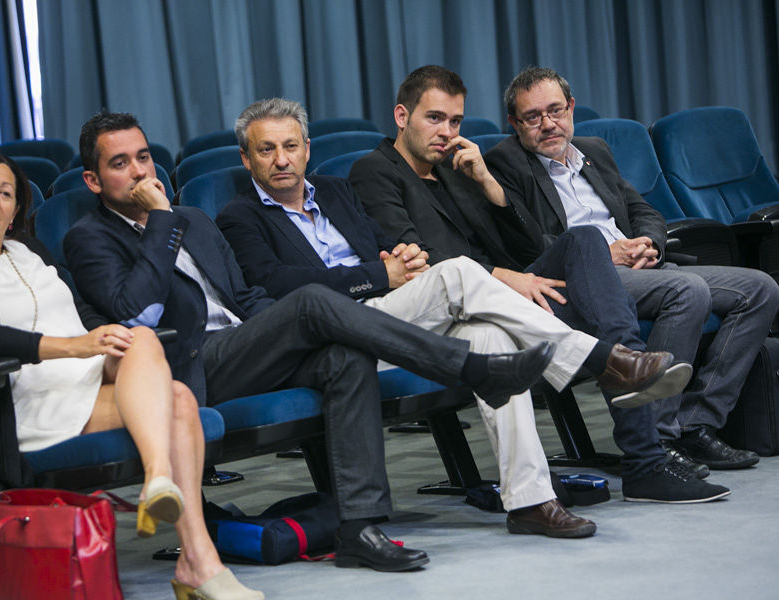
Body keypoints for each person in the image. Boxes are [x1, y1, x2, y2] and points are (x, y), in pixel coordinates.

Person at [63, 112, 562, 572]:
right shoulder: (91, 237)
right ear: (93, 180)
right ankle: (474, 368)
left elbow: (245, 296)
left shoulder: (193, 219)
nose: (138, 171)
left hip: (243, 346)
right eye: (120, 163)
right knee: (308, 301)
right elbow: (136, 311)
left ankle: (358, 528)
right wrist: (161, 224)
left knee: (344, 354)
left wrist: (283, 330)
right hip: (185, 367)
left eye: (144, 157)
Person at [216, 98, 693, 537]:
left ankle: (530, 502)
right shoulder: (238, 217)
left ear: (306, 150)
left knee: (493, 339)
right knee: (458, 274)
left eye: (290, 146)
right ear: (247, 159)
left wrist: (399, 261)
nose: (281, 159)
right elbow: (279, 288)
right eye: (266, 149)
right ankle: (605, 362)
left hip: (393, 318)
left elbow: (380, 253)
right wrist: (377, 272)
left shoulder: (337, 194)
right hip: (336, 336)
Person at [349, 65, 732, 503]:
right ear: (402, 116)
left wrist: (488, 184)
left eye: (455, 121)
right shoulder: (373, 170)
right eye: (434, 118)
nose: (446, 131)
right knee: (610, 286)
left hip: (515, 294)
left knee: (585, 238)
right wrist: (509, 278)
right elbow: (418, 261)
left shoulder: (456, 169)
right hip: (454, 311)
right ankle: (642, 446)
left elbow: (519, 244)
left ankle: (626, 372)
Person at [0, 149, 263, 600]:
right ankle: (199, 562)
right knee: (178, 401)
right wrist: (77, 346)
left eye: (7, 193)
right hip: (27, 397)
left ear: (17, 211)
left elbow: (72, 314)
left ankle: (161, 487)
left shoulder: (28, 251)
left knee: (141, 337)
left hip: (88, 375)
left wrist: (101, 334)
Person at [484, 65, 779, 475]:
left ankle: (696, 424)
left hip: (641, 268)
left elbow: (642, 210)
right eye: (533, 117)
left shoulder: (594, 151)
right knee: (686, 290)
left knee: (761, 289)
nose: (548, 124)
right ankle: (657, 439)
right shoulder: (506, 164)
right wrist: (611, 254)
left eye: (555, 110)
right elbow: (530, 246)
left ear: (571, 108)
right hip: (585, 280)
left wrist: (649, 244)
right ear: (515, 124)